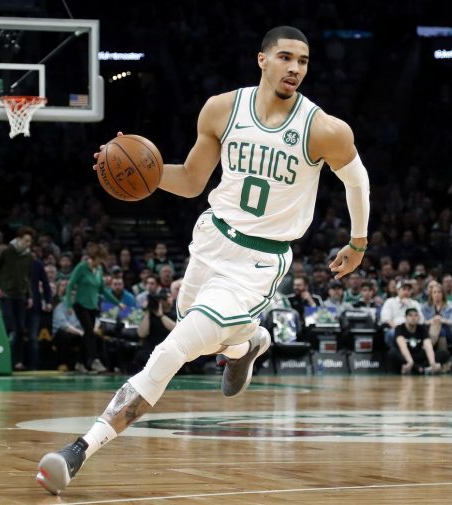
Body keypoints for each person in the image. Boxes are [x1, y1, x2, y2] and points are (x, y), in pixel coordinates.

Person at [36, 26, 370, 495]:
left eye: (304, 61)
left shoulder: (324, 129)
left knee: (172, 350)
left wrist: (358, 242)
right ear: (262, 60)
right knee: (194, 326)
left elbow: (357, 180)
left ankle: (77, 451)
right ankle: (248, 343)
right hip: (211, 240)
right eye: (286, 57)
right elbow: (193, 180)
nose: (295, 68)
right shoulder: (221, 109)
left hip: (259, 262)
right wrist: (139, 174)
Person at [65, 242, 122, 373]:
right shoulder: (81, 268)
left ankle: (79, 363)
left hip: (92, 306)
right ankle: (94, 360)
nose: (102, 261)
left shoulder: (99, 270)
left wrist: (117, 302)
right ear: (94, 257)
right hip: (80, 305)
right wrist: (68, 304)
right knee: (90, 332)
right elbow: (70, 285)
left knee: (87, 334)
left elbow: (102, 289)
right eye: (100, 259)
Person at [0, 226, 34, 371]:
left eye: (30, 241)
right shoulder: (6, 251)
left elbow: (26, 277)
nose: (28, 244)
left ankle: (17, 362)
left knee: (20, 330)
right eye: (26, 240)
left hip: (20, 296)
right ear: (19, 239)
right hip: (6, 294)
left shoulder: (28, 256)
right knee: (9, 326)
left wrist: (29, 296)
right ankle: (2, 359)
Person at [388, 307, 449, 374]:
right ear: (406, 317)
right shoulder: (399, 328)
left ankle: (417, 369)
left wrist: (433, 363)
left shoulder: (422, 328)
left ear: (419, 317)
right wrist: (410, 361)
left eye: (416, 315)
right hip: (406, 356)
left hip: (419, 355)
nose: (413, 318)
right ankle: (421, 369)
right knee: (393, 352)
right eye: (410, 315)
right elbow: (403, 347)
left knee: (444, 353)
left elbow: (428, 346)